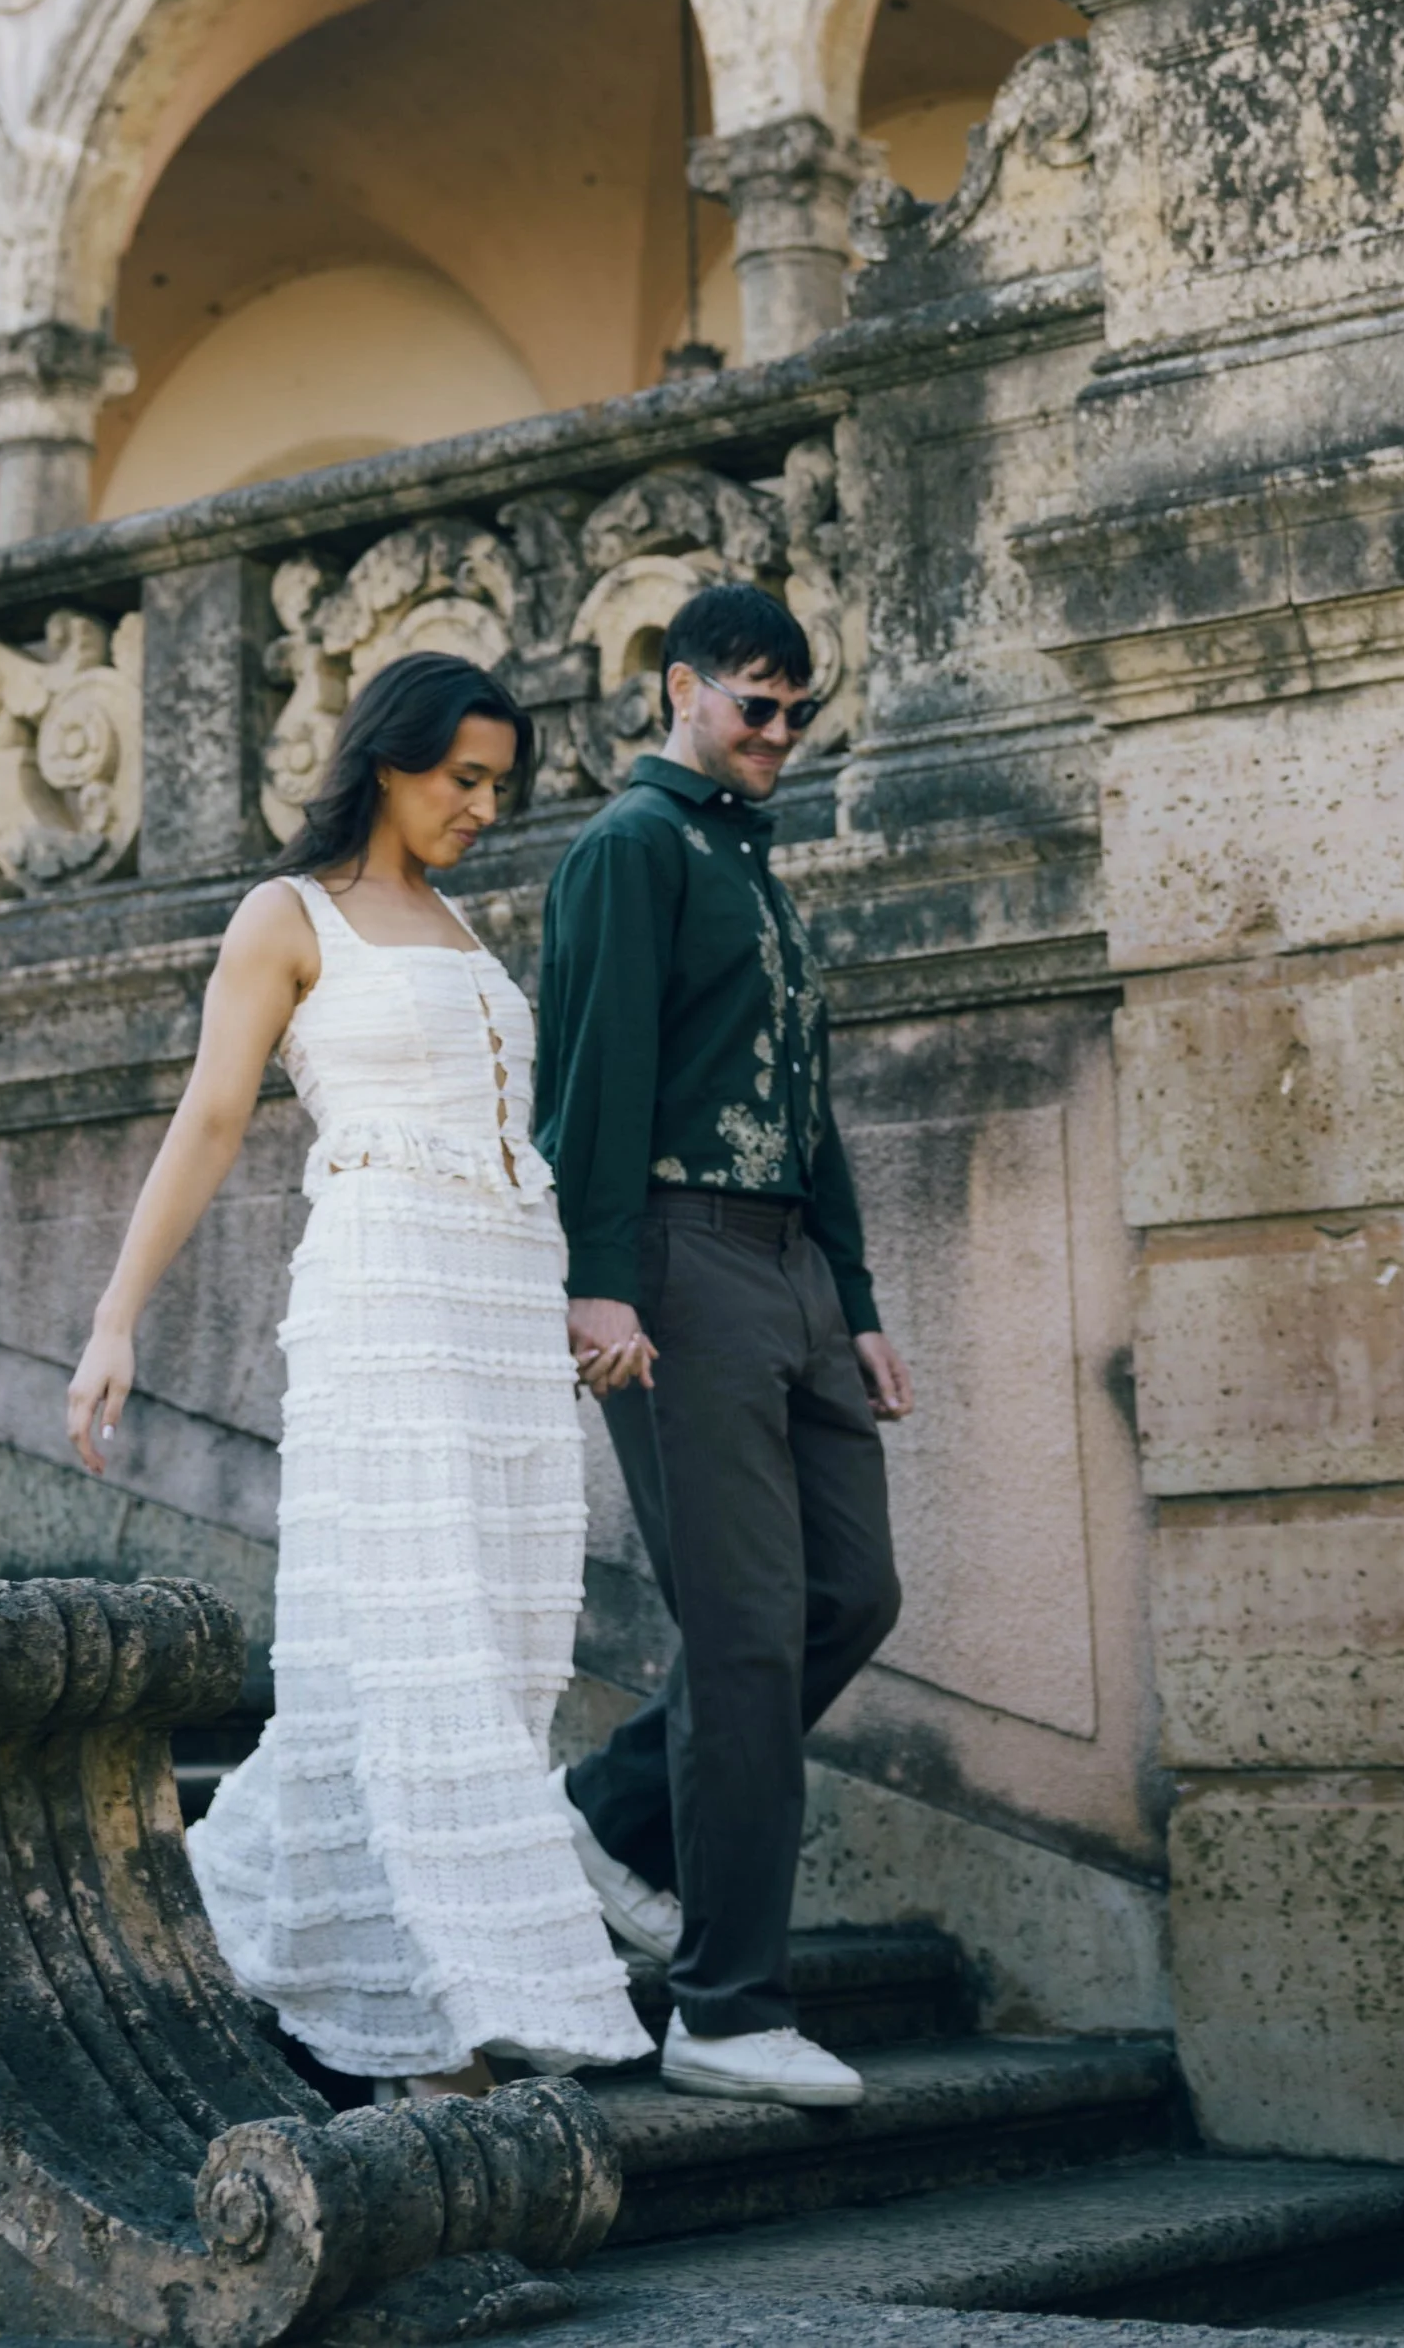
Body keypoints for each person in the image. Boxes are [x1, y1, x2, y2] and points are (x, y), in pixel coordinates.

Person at [65, 650, 642, 2100]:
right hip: (385, 1301)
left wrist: (572, 1305)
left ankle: (327, 1950)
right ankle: (436, 2036)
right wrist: (116, 1318)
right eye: (464, 777)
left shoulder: (461, 921)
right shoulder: (288, 914)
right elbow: (210, 1118)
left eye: (499, 785)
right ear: (388, 761)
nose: (483, 807)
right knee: (408, 1645)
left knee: (498, 1652)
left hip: (500, 1313)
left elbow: (511, 1142)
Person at [535, 580, 913, 2110]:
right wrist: (597, 1280)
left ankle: (610, 1807)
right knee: (746, 1630)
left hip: (794, 1270)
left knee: (851, 1593)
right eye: (756, 703)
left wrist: (858, 1302)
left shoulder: (752, 862)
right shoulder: (628, 848)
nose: (779, 731)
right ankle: (726, 2006)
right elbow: (592, 1078)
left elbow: (810, 1105)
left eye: (799, 710)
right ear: (678, 688)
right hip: (678, 1267)